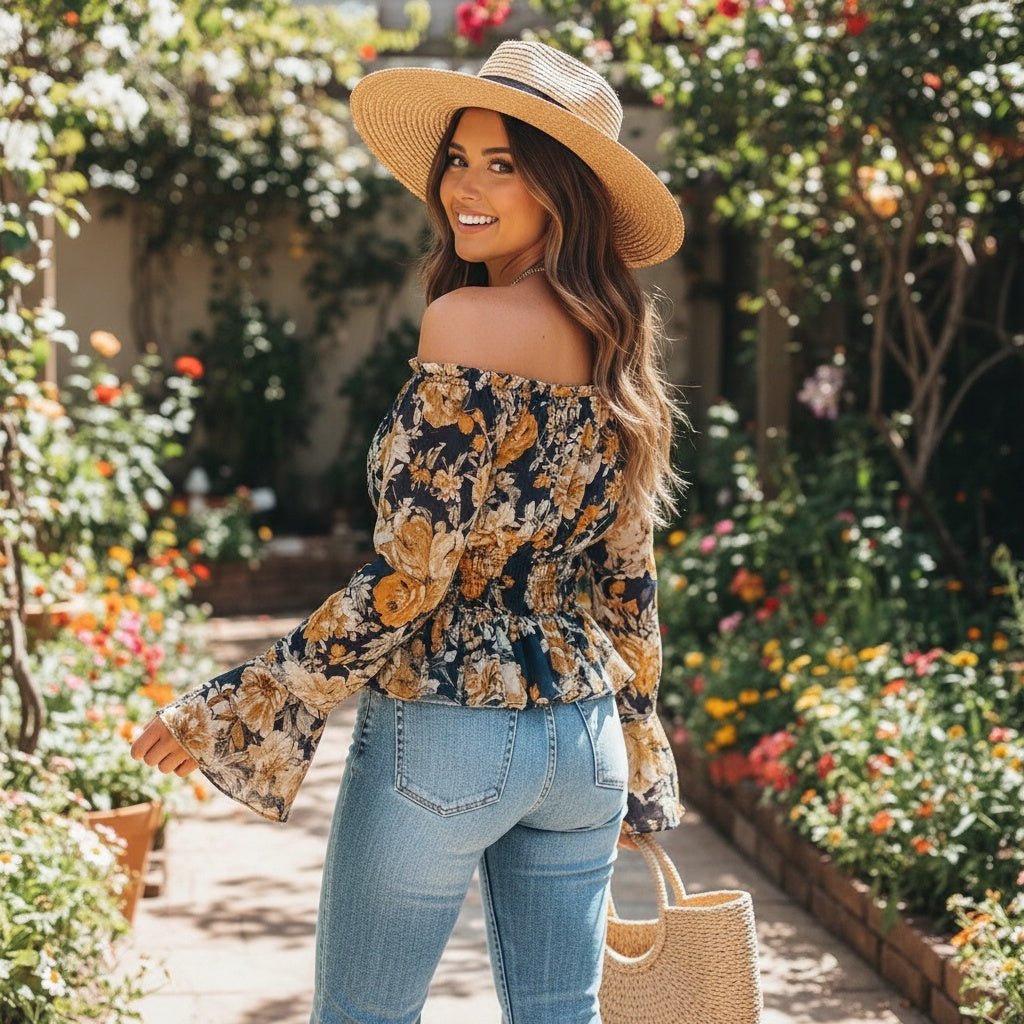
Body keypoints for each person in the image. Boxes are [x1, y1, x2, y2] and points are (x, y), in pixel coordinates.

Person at [130, 39, 687, 1024]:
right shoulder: (615, 341)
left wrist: (245, 699)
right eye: (458, 160)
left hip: (446, 723)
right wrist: (639, 753)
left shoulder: (468, 322)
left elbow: (411, 579)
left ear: (559, 188)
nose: (465, 188)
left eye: (502, 165)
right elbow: (628, 575)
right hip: (582, 737)